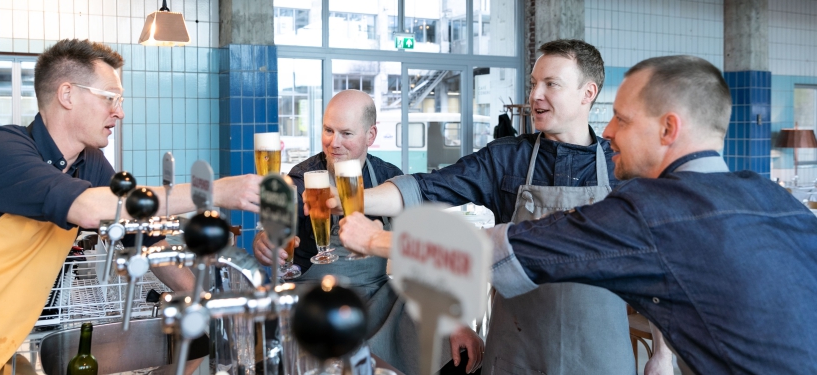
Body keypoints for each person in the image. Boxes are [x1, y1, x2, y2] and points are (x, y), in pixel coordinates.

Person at [341, 55, 817, 374]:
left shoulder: (648, 209)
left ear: (669, 128)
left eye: (623, 120)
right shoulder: (776, 200)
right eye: (534, 84)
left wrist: (377, 241)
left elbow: (493, 252)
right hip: (519, 345)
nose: (609, 131)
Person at [0, 39, 261, 375]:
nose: (119, 112)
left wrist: (213, 309)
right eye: (111, 98)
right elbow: (88, 208)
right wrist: (210, 192)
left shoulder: (88, 163)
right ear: (67, 94)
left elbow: (148, 240)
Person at [339, 39, 666, 374]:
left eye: (551, 84)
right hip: (517, 349)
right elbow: (427, 187)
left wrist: (662, 354)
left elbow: (655, 267)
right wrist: (349, 198)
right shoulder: (506, 158)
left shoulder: (623, 166)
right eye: (534, 83)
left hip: (598, 353)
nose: (536, 94)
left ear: (588, 93)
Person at [253, 89, 483, 374]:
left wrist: (456, 323)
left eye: (346, 133)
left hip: (377, 299)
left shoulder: (389, 180)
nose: (333, 143)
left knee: (450, 346)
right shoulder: (302, 179)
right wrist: (265, 244)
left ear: (370, 136)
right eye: (328, 130)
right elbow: (271, 238)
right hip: (312, 299)